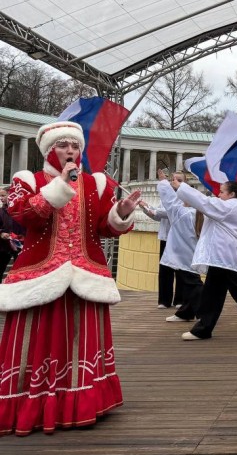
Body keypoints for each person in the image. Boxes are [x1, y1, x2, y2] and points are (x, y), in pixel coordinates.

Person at [0, 120, 141, 436]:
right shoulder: (28, 180)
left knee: (81, 339)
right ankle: (31, 404)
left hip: (84, 274)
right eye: (63, 145)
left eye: (75, 146)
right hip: (40, 276)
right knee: (36, 341)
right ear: (50, 150)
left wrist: (122, 212)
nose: (70, 151)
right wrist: (59, 185)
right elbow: (23, 216)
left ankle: (79, 402)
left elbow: (104, 228)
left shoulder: (96, 183)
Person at [175, 180, 237, 341]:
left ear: (232, 194)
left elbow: (206, 203)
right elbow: (206, 206)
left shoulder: (231, 207)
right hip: (221, 257)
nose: (219, 194)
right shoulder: (232, 206)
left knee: (235, 290)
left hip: (224, 257)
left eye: (222, 192)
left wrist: (182, 187)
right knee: (213, 292)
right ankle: (203, 328)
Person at [148, 169, 205, 324]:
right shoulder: (193, 212)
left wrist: (164, 182)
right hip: (186, 254)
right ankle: (186, 312)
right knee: (189, 283)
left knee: (193, 283)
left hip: (184, 255)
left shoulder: (184, 213)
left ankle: (204, 312)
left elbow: (170, 201)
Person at [138, 196, 179, 309]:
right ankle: (164, 300)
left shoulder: (183, 197)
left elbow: (171, 211)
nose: (174, 182)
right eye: (173, 179)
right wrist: (145, 208)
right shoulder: (164, 198)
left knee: (180, 269)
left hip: (179, 238)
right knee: (165, 269)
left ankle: (180, 300)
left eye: (179, 180)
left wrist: (153, 209)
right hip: (165, 237)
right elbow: (158, 216)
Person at [0, 187, 25, 281]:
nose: (1, 198)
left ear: (11, 195)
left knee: (19, 271)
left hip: (19, 246)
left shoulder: (21, 210)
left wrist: (22, 236)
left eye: (3, 195)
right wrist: (1, 234)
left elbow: (26, 226)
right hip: (3, 247)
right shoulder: (0, 211)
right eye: (0, 196)